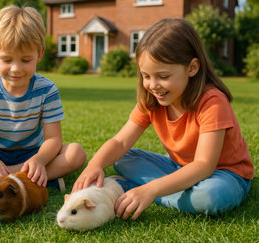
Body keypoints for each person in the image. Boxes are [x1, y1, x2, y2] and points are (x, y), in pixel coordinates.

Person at [73, 18, 254, 219]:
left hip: (224, 175)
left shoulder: (212, 102)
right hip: (178, 167)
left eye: (163, 76)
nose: (152, 85)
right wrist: (95, 165)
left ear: (192, 68)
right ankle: (168, 188)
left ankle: (138, 188)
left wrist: (151, 190)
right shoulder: (152, 99)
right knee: (121, 157)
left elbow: (204, 165)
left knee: (211, 197)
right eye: (146, 76)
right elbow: (120, 141)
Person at [0, 5, 86, 191]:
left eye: (26, 60)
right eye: (7, 60)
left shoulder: (47, 90)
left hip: (31, 154)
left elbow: (53, 139)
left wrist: (39, 160)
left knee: (76, 153)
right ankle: (29, 181)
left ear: (39, 54)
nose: (16, 68)